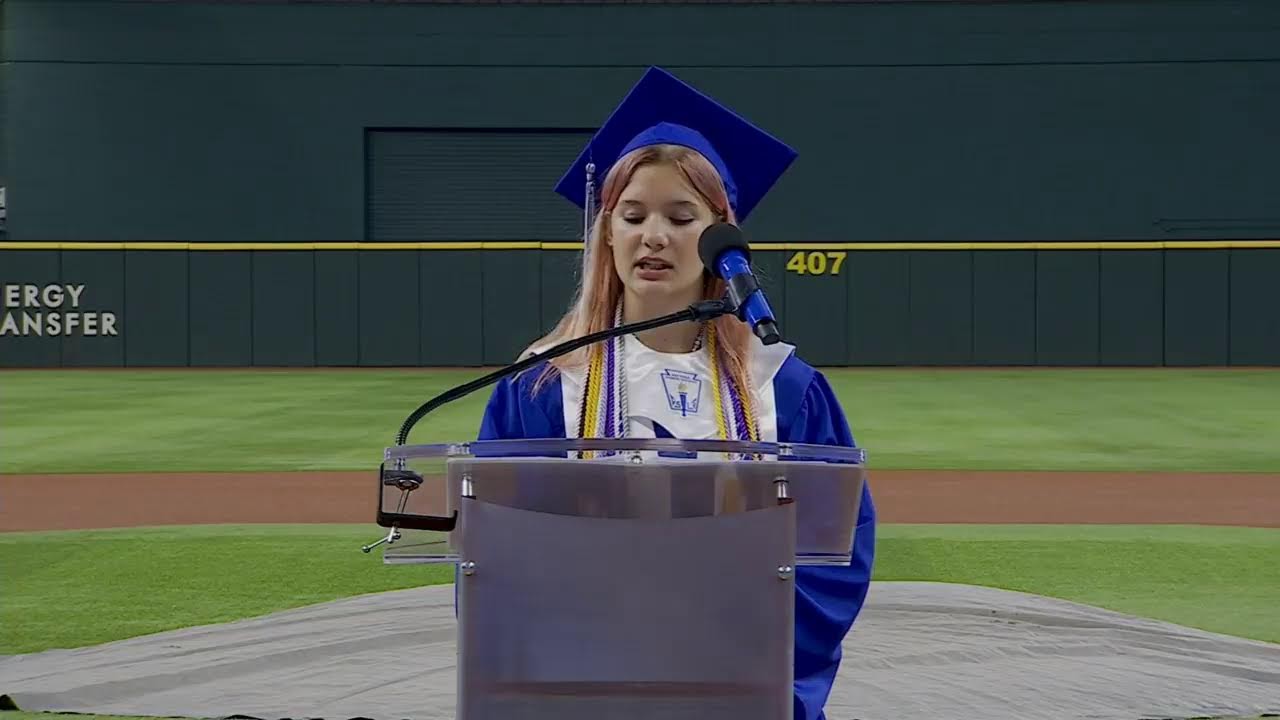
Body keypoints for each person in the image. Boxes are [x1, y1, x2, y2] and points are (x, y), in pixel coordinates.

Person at [476, 66, 876, 720]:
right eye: (631, 215)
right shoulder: (547, 384)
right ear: (606, 233)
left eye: (680, 216)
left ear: (722, 239)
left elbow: (839, 553)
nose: (653, 236)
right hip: (586, 688)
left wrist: (724, 638)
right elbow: (495, 555)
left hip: (738, 682)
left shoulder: (787, 388)